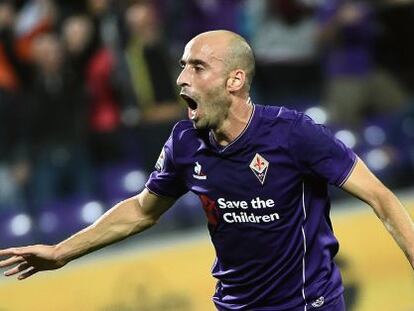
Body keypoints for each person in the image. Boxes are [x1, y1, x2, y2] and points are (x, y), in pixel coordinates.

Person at [0, 30, 413, 310]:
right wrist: (60, 252)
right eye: (183, 66)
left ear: (235, 80)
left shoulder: (294, 134)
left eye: (197, 67)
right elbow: (143, 211)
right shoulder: (184, 144)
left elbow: (381, 197)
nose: (181, 78)